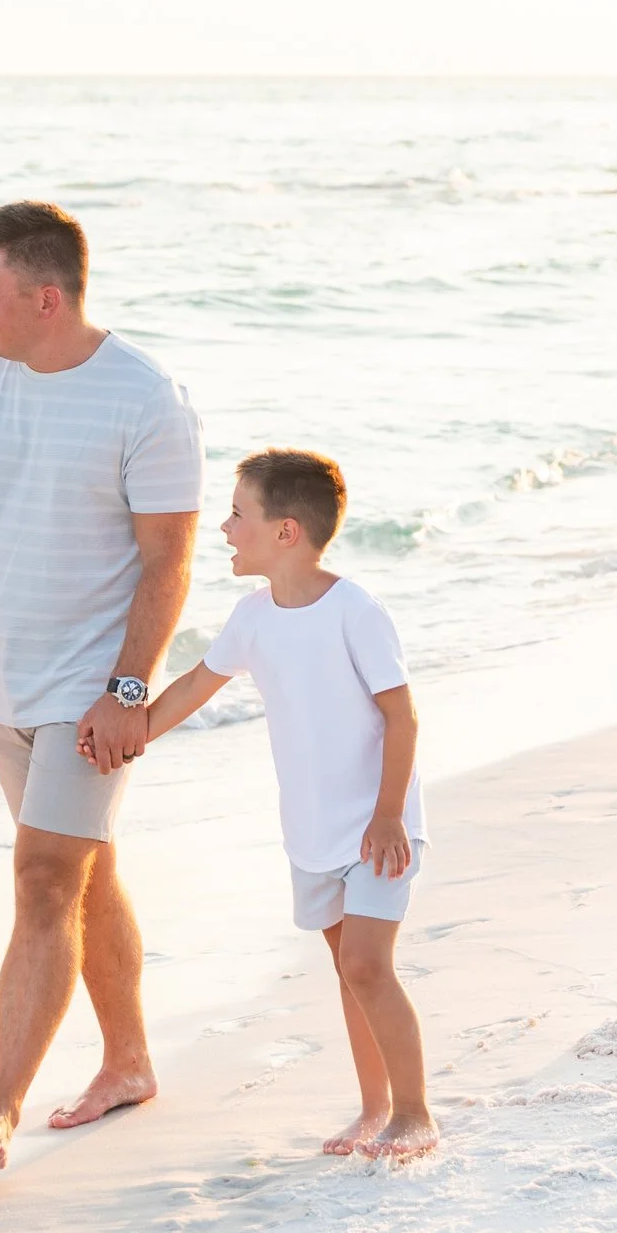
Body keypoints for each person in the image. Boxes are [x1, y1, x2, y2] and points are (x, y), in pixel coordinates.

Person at [0, 201, 203, 1171]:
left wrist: (129, 689)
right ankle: (130, 1059)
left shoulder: (146, 400)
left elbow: (168, 561)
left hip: (91, 692)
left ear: (44, 297)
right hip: (4, 682)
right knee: (82, 873)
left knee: (43, 877)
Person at [142, 449, 437, 1160]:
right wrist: (130, 733)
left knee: (368, 964)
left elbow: (403, 717)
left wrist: (389, 812)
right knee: (348, 970)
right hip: (311, 828)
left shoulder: (354, 611)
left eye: (239, 514)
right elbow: (190, 688)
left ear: (286, 533)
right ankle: (373, 1108)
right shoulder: (251, 618)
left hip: (378, 825)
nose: (224, 526)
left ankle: (416, 1112)